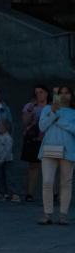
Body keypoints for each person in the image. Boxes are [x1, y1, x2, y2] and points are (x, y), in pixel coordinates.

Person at [37, 85, 75, 225]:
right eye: (61, 93)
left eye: (67, 93)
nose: (64, 95)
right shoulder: (48, 108)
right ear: (56, 96)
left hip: (68, 151)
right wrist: (53, 113)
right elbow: (42, 127)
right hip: (49, 149)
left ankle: (63, 214)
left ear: (71, 96)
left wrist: (60, 121)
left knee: (66, 182)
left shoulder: (73, 112)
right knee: (47, 181)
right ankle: (47, 213)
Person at [22, 85, 50, 202]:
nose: (39, 95)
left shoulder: (51, 107)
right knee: (33, 166)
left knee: (50, 167)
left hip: (48, 139)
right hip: (33, 140)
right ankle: (29, 193)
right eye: (37, 93)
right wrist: (30, 110)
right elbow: (25, 122)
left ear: (47, 93)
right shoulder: (30, 106)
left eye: (41, 92)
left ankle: (53, 193)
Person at [0, 119, 18, 202]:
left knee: (9, 177)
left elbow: (7, 150)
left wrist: (2, 159)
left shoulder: (8, 138)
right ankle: (1, 193)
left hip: (7, 161)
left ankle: (13, 193)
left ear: (5, 127)